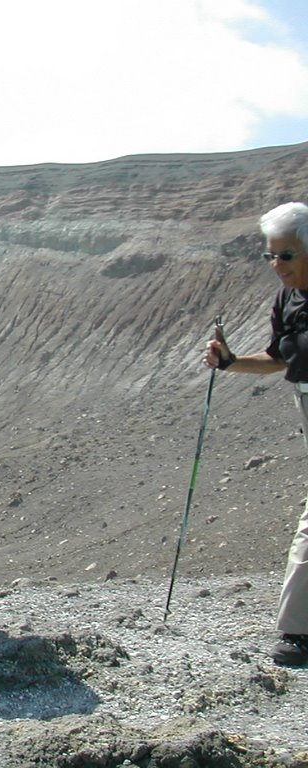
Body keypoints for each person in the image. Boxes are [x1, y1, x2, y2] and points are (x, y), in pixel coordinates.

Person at [203, 201, 308, 666]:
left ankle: (296, 630)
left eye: (285, 255)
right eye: (270, 256)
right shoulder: (288, 300)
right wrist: (230, 362)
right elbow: (279, 359)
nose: (275, 266)